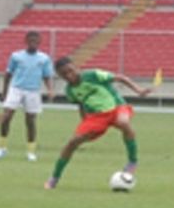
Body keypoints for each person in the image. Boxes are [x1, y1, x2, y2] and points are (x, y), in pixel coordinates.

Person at [45, 57, 151, 189]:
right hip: (96, 117)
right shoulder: (70, 91)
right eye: (64, 74)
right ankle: (54, 178)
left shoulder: (93, 75)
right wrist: (84, 123)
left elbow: (120, 78)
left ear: (76, 67)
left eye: (70, 71)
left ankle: (132, 161)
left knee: (123, 122)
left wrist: (139, 90)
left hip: (117, 107)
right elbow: (81, 105)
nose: (69, 75)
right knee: (72, 143)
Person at [0, 31, 54, 162]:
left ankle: (31, 151)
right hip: (16, 89)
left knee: (30, 121)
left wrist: (50, 90)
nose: (33, 43)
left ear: (39, 42)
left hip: (33, 91)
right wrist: (4, 91)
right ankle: (2, 147)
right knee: (7, 116)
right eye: (31, 40)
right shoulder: (16, 56)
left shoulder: (44, 58)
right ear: (26, 41)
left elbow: (46, 76)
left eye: (36, 41)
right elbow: (8, 74)